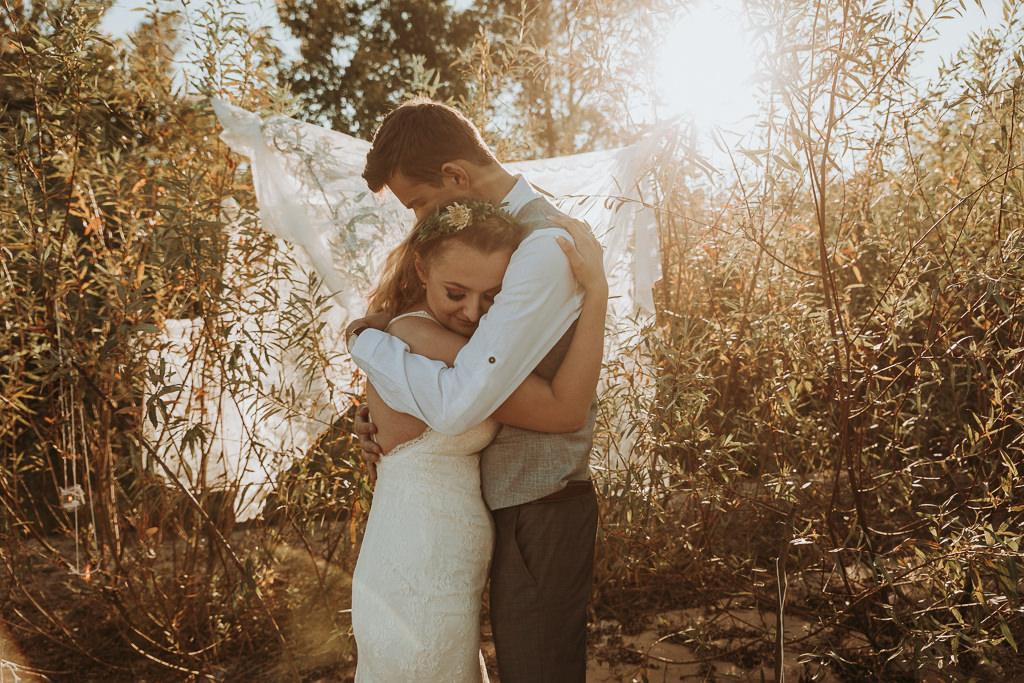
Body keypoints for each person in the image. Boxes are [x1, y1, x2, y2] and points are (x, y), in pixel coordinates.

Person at [346, 99, 603, 682]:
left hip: (539, 500)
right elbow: (458, 379)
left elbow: (462, 402)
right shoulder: (487, 247)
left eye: (418, 202)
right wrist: (381, 414)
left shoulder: (539, 247)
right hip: (471, 516)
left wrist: (371, 344)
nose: (418, 219)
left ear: (456, 178)